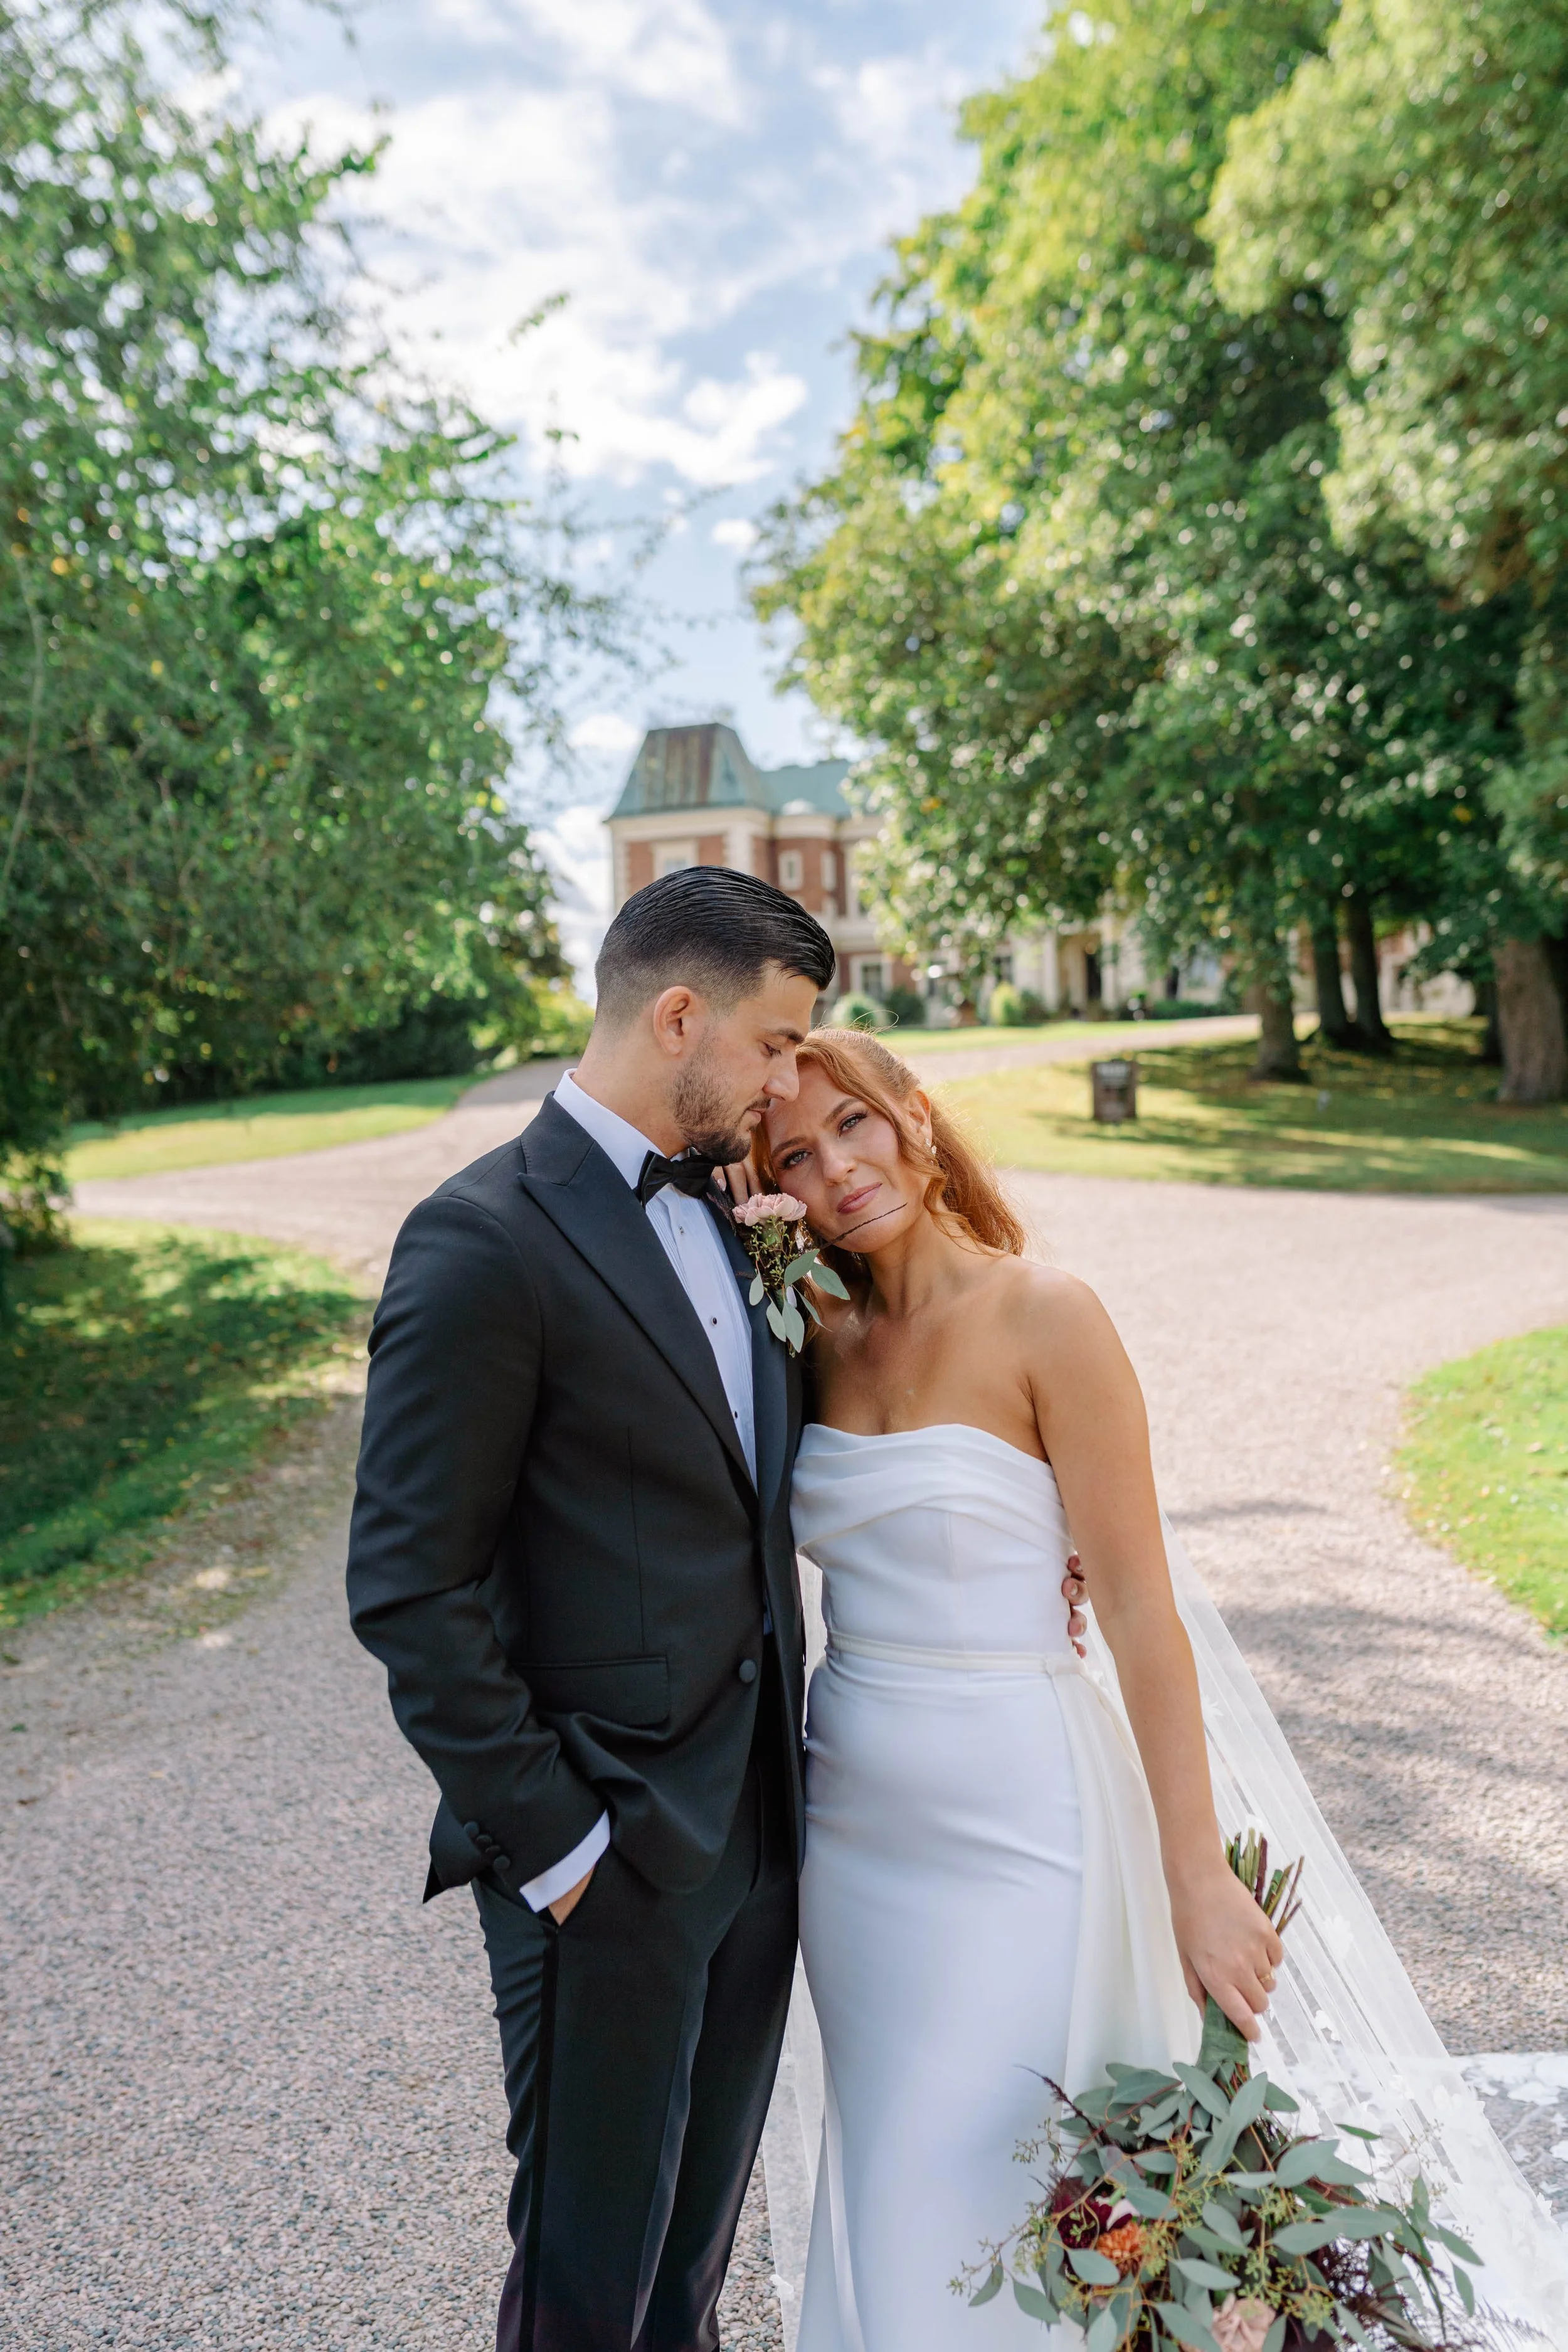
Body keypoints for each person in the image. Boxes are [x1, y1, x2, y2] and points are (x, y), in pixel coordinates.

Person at [754, 1025, 1568, 2351]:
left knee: (1040, 2180)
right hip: (855, 1839)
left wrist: (1196, 1876)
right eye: (795, 1152)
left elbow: (1137, 1611)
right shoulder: (805, 1339)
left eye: (853, 1124)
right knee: (898, 2178)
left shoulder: (1044, 1315)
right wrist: (754, 1237)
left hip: (1031, 1832)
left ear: (912, 1113)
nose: (837, 1166)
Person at [345, 868, 833, 2352]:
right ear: (677, 1015)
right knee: (585, 2288)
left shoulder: (742, 1214)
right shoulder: (480, 1238)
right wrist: (560, 1847)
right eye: (771, 1044)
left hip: (757, 1841)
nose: (784, 1082)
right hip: (605, 1856)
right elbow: (410, 1588)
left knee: (687, 2274)